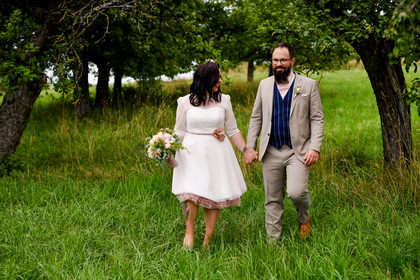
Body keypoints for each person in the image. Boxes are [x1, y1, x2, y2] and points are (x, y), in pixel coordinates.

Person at [244, 42, 324, 241]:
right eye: (275, 60)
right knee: (272, 199)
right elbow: (256, 118)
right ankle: (273, 242)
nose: (278, 64)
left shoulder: (308, 85)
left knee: (296, 193)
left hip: (298, 150)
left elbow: (317, 118)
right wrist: (250, 146)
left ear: (292, 61)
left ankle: (304, 219)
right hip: (270, 150)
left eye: (282, 60)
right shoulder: (264, 85)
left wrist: (315, 148)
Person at [172, 61, 248, 249]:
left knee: (213, 197)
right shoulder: (184, 102)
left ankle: (207, 240)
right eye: (217, 77)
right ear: (205, 79)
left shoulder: (225, 100)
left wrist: (246, 150)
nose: (220, 81)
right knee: (190, 194)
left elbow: (232, 130)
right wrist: (167, 150)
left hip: (216, 153)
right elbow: (179, 131)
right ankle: (189, 231)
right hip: (190, 154)